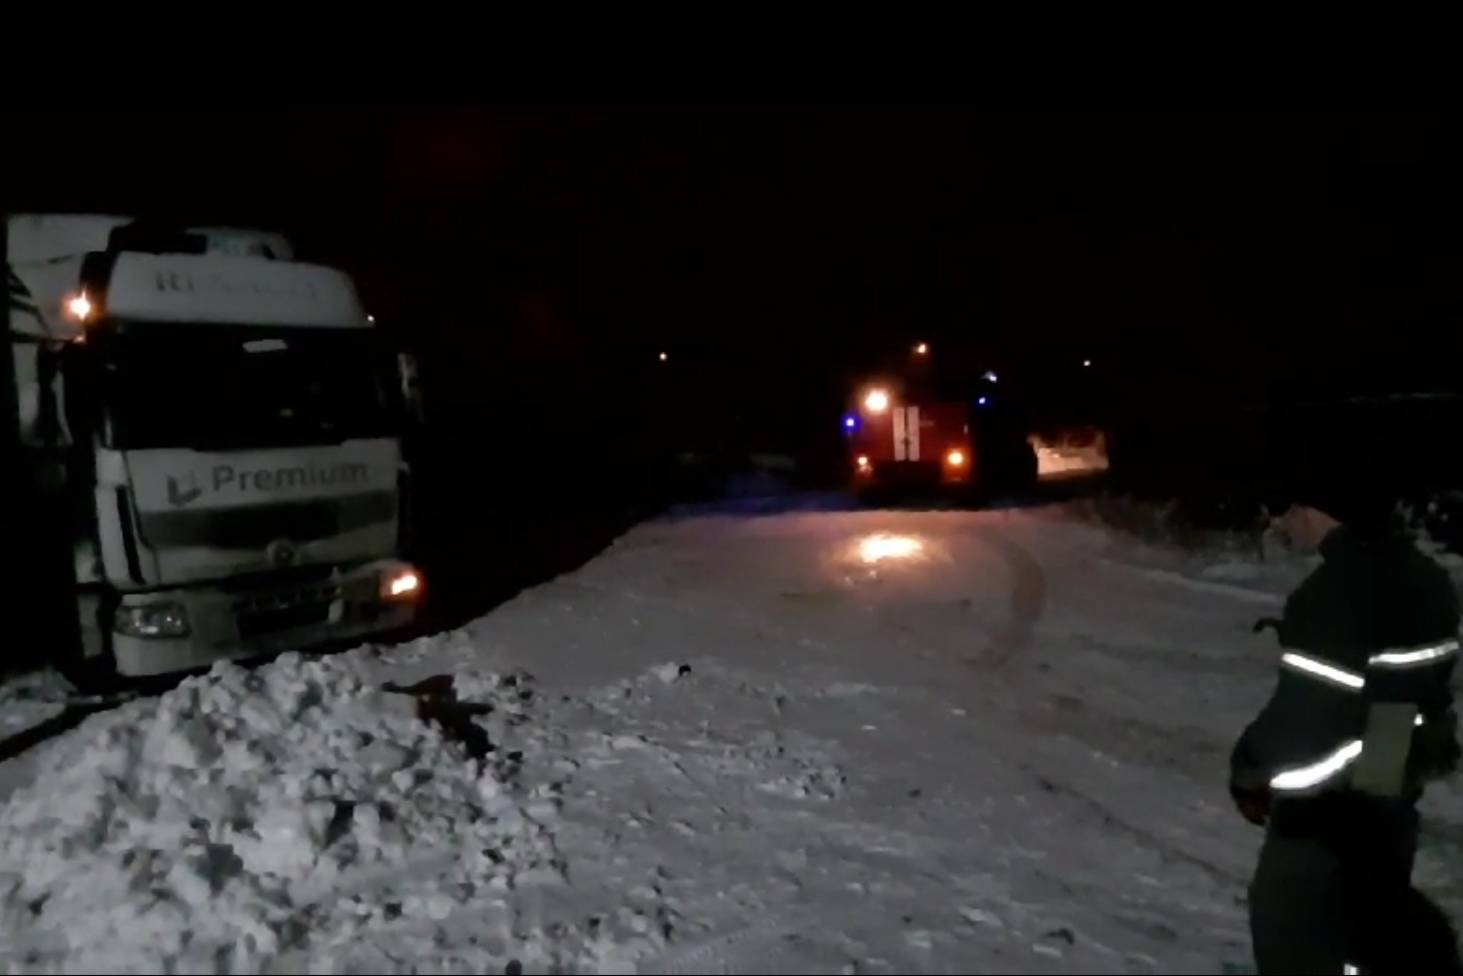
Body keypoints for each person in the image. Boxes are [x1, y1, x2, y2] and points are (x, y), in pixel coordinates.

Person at [1231, 491, 1461, 974]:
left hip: (1321, 825)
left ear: (1320, 510)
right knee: (1370, 932)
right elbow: (1409, 700)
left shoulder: (1331, 595)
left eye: (1290, 508)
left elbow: (1303, 726)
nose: (1285, 522)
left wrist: (1250, 767)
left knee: (1292, 933)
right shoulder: (1427, 578)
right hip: (1389, 797)